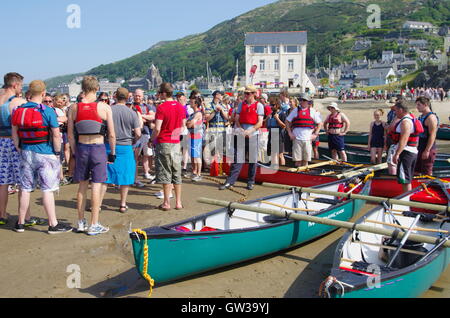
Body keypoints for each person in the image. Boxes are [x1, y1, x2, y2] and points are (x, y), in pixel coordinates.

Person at [11, 80, 72, 234]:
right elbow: (56, 135)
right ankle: (53, 224)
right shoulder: (47, 111)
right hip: (45, 153)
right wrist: (57, 153)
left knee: (25, 189)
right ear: (43, 93)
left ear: (29, 93)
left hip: (26, 151)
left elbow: (14, 133)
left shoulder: (19, 110)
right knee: (47, 189)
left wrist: (19, 147)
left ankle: (20, 223)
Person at [67, 76, 116, 235]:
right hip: (98, 148)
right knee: (96, 185)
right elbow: (112, 134)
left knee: (82, 185)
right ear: (96, 89)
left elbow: (69, 135)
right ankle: (94, 223)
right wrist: (113, 153)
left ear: (83, 88)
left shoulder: (74, 108)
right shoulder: (104, 107)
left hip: (81, 148)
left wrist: (74, 152)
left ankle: (81, 222)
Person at [0, 72, 35, 227]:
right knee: (23, 182)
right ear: (15, 85)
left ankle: (2, 214)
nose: (21, 87)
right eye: (21, 85)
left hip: (0, 143)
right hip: (16, 144)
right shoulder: (18, 102)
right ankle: (26, 217)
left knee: (3, 183)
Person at [99, 88, 142, 213]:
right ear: (127, 97)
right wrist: (134, 140)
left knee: (105, 177)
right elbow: (138, 133)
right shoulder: (132, 113)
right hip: (126, 146)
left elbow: (102, 130)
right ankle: (122, 204)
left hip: (109, 146)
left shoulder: (109, 110)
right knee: (125, 176)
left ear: (115, 96)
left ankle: (99, 204)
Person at [219, 85, 264, 191]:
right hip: (241, 134)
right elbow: (237, 119)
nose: (246, 95)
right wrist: (241, 130)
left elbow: (260, 122)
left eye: (248, 93)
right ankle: (230, 181)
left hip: (253, 134)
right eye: (245, 93)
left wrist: (250, 131)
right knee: (237, 159)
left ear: (253, 94)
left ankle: (250, 181)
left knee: (252, 160)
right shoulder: (241, 105)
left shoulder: (259, 106)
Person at [151, 83, 186, 211]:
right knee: (176, 172)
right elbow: (183, 126)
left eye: (160, 93)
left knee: (165, 172)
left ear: (164, 93)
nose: (159, 95)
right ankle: (178, 202)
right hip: (176, 142)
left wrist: (151, 139)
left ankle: (166, 202)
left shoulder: (161, 108)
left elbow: (158, 128)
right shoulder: (180, 107)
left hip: (164, 142)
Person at [387, 100, 421, 192]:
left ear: (401, 110)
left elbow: (404, 140)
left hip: (406, 153)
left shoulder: (405, 122)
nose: (395, 112)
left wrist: (397, 154)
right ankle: (407, 198)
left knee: (404, 179)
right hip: (411, 151)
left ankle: (406, 201)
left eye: (396, 110)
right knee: (406, 178)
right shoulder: (409, 118)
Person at [285, 94, 322, 167]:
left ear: (308, 102)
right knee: (297, 161)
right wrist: (290, 133)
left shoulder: (312, 111)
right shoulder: (296, 110)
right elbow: (287, 121)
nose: (302, 102)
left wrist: (315, 134)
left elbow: (320, 123)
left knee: (306, 161)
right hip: (297, 139)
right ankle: (298, 175)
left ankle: (305, 173)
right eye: (301, 100)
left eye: (304, 100)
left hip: (307, 140)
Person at [204, 90, 229, 168]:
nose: (222, 97)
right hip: (213, 130)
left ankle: (221, 167)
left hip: (222, 131)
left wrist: (221, 110)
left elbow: (227, 117)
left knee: (222, 149)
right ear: (217, 95)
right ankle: (213, 167)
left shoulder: (224, 106)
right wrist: (214, 111)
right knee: (213, 149)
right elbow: (207, 119)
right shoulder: (209, 105)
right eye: (221, 95)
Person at [415, 97, 439, 176]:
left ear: (425, 105)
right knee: (416, 171)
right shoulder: (421, 116)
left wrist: (427, 150)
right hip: (420, 148)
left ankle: (427, 187)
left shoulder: (431, 118)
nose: (417, 107)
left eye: (419, 105)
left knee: (427, 173)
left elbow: (432, 135)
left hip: (428, 149)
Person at [186, 97, 204, 182]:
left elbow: (190, 124)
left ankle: (199, 174)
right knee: (193, 155)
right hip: (192, 135)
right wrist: (189, 123)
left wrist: (189, 123)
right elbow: (188, 123)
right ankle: (195, 171)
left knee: (197, 156)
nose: (190, 102)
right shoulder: (193, 114)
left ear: (196, 104)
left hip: (197, 136)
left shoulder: (198, 114)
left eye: (191, 101)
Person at [265, 97, 286, 167]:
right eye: (271, 105)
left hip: (279, 135)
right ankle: (274, 167)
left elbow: (284, 126)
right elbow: (266, 126)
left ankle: (282, 169)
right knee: (273, 153)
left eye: (273, 105)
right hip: (271, 134)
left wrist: (277, 118)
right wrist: (267, 119)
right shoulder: (271, 114)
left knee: (280, 154)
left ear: (277, 105)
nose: (271, 107)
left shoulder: (282, 114)